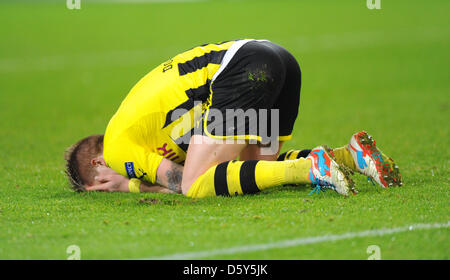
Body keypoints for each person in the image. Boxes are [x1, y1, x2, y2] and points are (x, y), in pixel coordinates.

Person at [65, 39, 402, 198]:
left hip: (244, 69)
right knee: (254, 169)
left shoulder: (118, 148)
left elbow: (180, 183)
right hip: (278, 61)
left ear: (98, 163)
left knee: (196, 186)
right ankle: (351, 156)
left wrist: (130, 184)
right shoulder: (148, 135)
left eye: (101, 187)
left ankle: (311, 166)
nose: (109, 190)